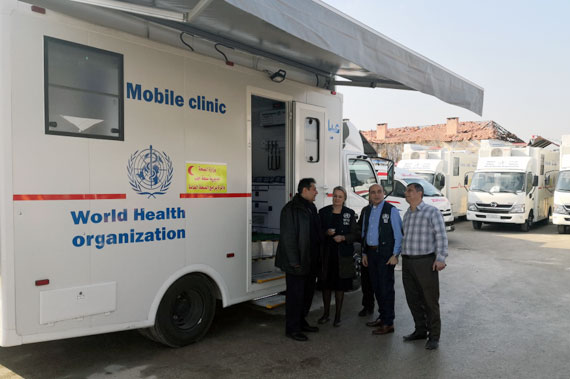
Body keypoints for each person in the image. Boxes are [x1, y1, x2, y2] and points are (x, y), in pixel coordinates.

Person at [401, 182, 448, 350]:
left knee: (430, 301)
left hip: (425, 262)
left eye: (410, 190)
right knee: (413, 299)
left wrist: (441, 258)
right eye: (406, 191)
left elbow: (441, 236)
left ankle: (434, 336)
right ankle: (420, 330)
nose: (406, 193)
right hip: (407, 262)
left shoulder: (431, 212)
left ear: (419, 193)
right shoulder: (407, 214)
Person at [275, 178, 323, 342]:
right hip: (297, 262)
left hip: (310, 261)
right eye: (314, 189)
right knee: (295, 296)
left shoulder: (311, 207)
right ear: (305, 190)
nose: (316, 192)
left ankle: (302, 322)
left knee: (307, 295)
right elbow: (288, 238)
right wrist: (294, 262)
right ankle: (292, 328)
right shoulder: (291, 209)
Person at [358, 184, 402, 335]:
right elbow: (364, 233)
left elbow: (398, 234)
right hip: (370, 254)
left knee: (386, 289)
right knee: (376, 288)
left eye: (379, 192)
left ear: (384, 193)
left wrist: (395, 254)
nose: (376, 195)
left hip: (385, 255)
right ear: (369, 195)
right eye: (373, 192)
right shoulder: (368, 210)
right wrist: (364, 253)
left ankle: (388, 323)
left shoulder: (391, 210)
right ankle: (383, 317)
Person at [316, 186, 358, 327]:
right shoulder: (323, 212)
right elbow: (316, 232)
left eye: (340, 196)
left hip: (342, 256)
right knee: (326, 286)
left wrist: (343, 237)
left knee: (340, 287)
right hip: (327, 255)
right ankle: (326, 314)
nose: (337, 199)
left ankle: (338, 316)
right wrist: (325, 233)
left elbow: (355, 235)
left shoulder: (349, 213)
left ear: (344, 198)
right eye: (335, 196)